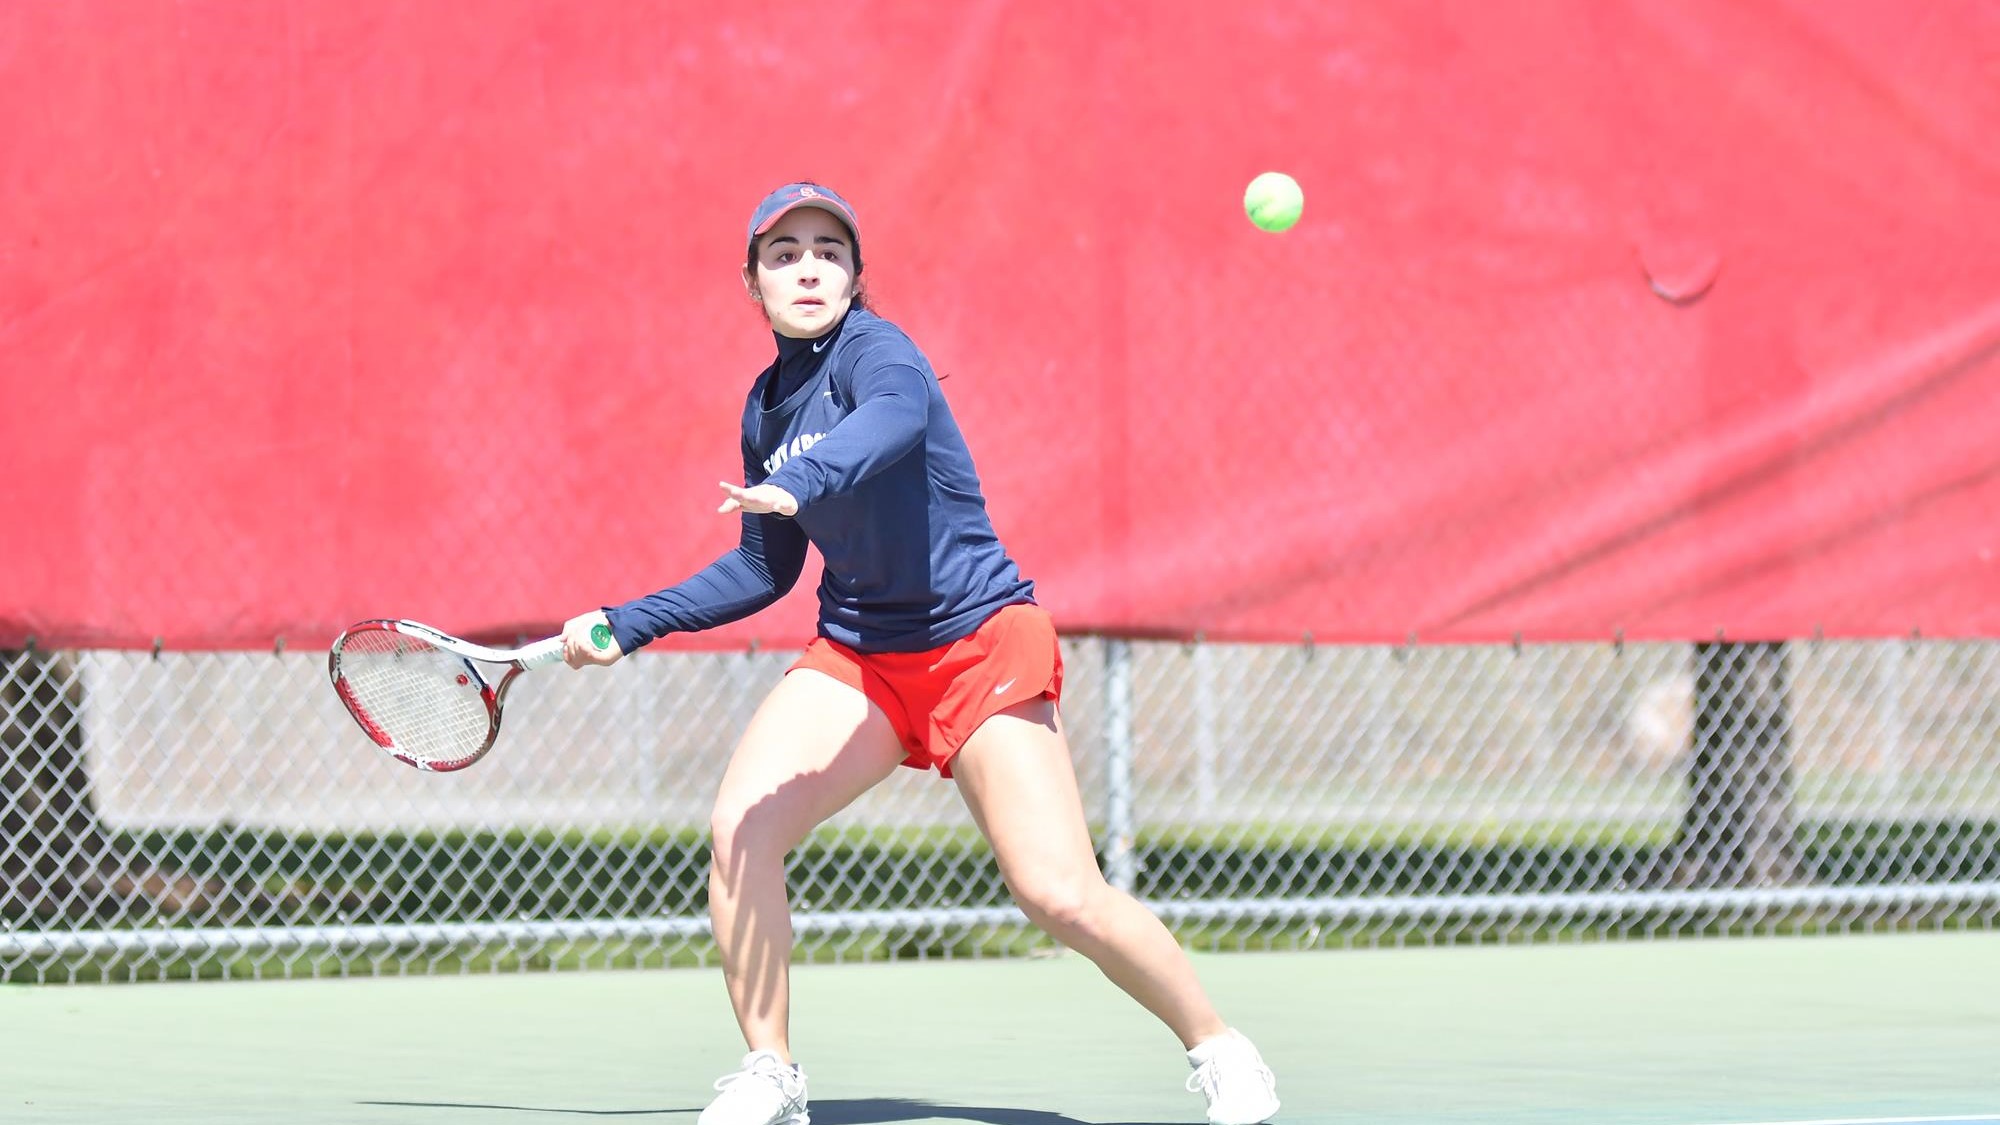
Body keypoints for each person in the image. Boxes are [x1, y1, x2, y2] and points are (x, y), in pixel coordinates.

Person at [560, 182, 1280, 1125]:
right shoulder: (766, 408)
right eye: (783, 254)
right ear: (752, 284)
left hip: (981, 641)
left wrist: (801, 480)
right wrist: (629, 620)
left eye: (829, 249)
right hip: (861, 653)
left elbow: (891, 422)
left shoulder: (881, 353)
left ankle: (1221, 1049)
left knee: (1058, 892)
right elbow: (763, 571)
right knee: (741, 826)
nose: (808, 266)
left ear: (857, 276)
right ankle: (770, 1072)